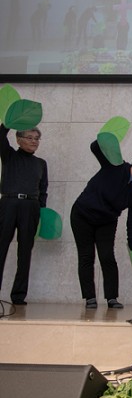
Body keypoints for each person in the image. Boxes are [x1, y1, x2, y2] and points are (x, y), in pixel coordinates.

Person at [71, 141, 132, 309]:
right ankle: (89, 298)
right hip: (82, 215)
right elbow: (95, 148)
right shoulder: (114, 165)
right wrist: (107, 137)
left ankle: (112, 298)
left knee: (107, 257)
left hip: (107, 221)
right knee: (86, 256)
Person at [0, 126, 48, 305]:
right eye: (30, 137)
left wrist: (40, 209)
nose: (34, 141)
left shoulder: (41, 163)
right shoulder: (9, 155)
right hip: (9, 203)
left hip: (31, 207)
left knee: (25, 251)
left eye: (37, 138)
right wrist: (10, 121)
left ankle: (18, 296)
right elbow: (0, 135)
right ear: (19, 139)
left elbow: (43, 190)